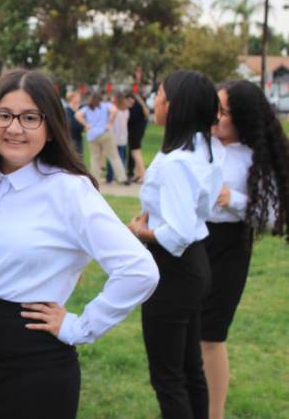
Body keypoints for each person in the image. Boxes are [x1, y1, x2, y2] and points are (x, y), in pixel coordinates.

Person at [0, 70, 159, 419]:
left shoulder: (69, 191)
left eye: (30, 117)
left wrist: (80, 326)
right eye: (4, 115)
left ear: (50, 129)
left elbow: (139, 270)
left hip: (33, 371)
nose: (14, 128)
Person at [128, 70, 224, 419]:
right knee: (188, 369)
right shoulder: (203, 152)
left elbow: (178, 233)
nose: (154, 100)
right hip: (194, 267)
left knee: (168, 377)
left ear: (173, 106)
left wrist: (143, 232)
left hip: (175, 270)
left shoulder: (176, 163)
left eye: (159, 95)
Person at [201, 80, 289, 419]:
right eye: (216, 108)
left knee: (211, 336)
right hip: (193, 243)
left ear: (243, 118)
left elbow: (271, 215)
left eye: (224, 112)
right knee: (185, 333)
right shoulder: (200, 145)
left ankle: (214, 414)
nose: (216, 117)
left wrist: (232, 199)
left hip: (230, 249)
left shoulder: (257, 157)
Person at [75, 92, 129, 184]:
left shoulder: (87, 108)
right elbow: (114, 110)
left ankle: (95, 179)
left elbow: (77, 115)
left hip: (92, 135)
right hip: (105, 133)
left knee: (95, 158)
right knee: (114, 156)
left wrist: (86, 124)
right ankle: (122, 178)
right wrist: (110, 122)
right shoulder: (105, 105)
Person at [106, 92, 130, 183]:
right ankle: (121, 176)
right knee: (121, 158)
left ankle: (110, 177)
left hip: (114, 136)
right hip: (123, 136)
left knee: (112, 158)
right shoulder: (126, 110)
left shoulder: (114, 110)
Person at [126, 91, 149, 182]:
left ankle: (143, 175)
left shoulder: (134, 108)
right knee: (136, 153)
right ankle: (139, 174)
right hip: (138, 133)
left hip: (134, 134)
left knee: (136, 153)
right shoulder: (141, 107)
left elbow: (130, 120)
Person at [64, 90, 84, 157]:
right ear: (72, 98)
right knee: (73, 158)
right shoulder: (67, 110)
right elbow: (72, 124)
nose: (80, 98)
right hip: (71, 138)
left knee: (80, 157)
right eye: (78, 97)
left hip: (79, 137)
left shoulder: (81, 108)